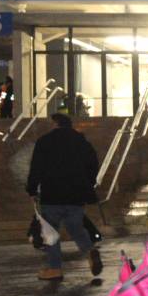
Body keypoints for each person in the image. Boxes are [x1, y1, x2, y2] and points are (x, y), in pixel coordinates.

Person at [25, 113, 102, 281]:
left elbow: (36, 167)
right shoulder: (82, 142)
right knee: (76, 228)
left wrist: (31, 189)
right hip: (76, 195)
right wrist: (87, 184)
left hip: (53, 194)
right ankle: (90, 251)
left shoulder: (45, 142)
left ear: (55, 124)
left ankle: (55, 269)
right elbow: (93, 165)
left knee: (51, 232)